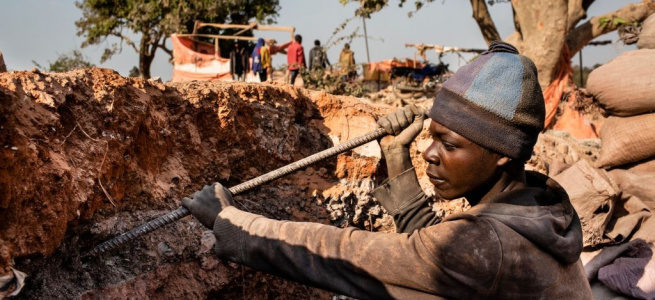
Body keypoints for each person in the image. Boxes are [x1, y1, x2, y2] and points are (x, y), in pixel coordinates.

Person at [182, 41, 592, 299]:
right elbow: (429, 257)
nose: (429, 153)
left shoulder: (487, 247)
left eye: (449, 144)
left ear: (502, 153)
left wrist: (232, 222)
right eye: (432, 137)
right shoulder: (538, 203)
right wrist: (397, 156)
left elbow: (345, 255)